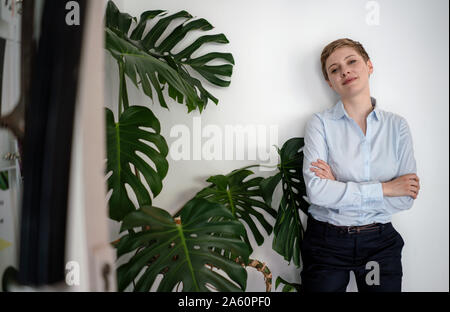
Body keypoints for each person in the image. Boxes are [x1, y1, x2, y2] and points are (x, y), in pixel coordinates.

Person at [300, 38, 420, 292]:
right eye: (334, 69)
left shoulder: (396, 126)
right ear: (330, 82)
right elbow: (318, 192)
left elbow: (406, 197)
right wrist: (386, 188)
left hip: (379, 245)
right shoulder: (320, 124)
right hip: (326, 244)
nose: (344, 71)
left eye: (351, 61)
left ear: (369, 66)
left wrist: (339, 187)